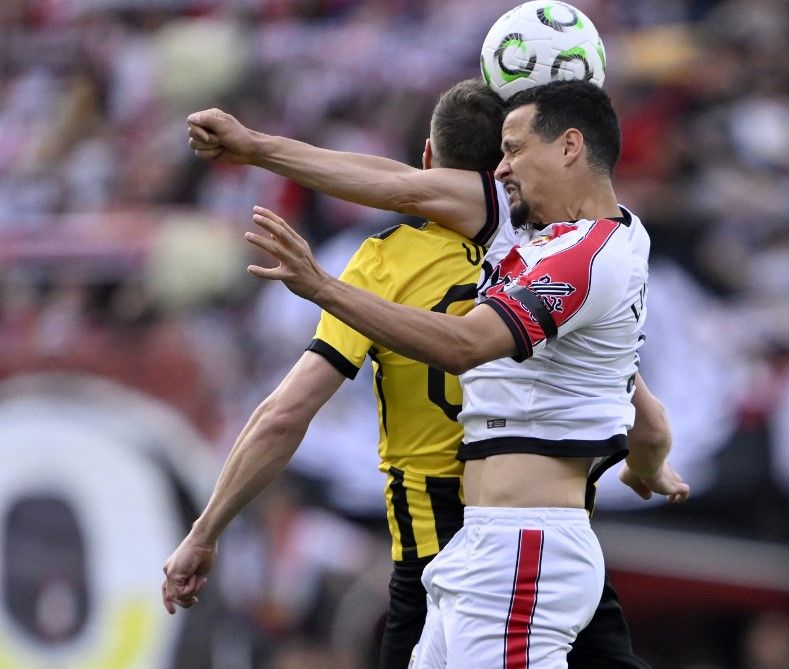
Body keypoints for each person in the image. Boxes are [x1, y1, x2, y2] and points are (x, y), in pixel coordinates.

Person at [163, 80, 686, 668]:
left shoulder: (565, 256)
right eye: (503, 154)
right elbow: (644, 410)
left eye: (518, 153)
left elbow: (457, 335)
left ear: (568, 147)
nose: (506, 170)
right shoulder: (527, 241)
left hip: (503, 543)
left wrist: (320, 282)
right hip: (492, 545)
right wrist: (649, 461)